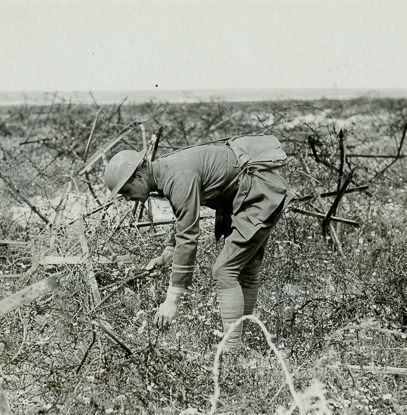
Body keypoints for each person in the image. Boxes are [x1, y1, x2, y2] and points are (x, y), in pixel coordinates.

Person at [104, 135, 294, 352]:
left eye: (126, 191)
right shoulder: (164, 170)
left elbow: (188, 236)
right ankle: (243, 341)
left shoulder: (178, 177)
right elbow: (184, 216)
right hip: (254, 192)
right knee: (246, 269)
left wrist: (172, 300)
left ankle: (233, 350)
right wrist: (167, 253)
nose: (128, 199)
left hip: (259, 195)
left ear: (139, 176)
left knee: (224, 270)